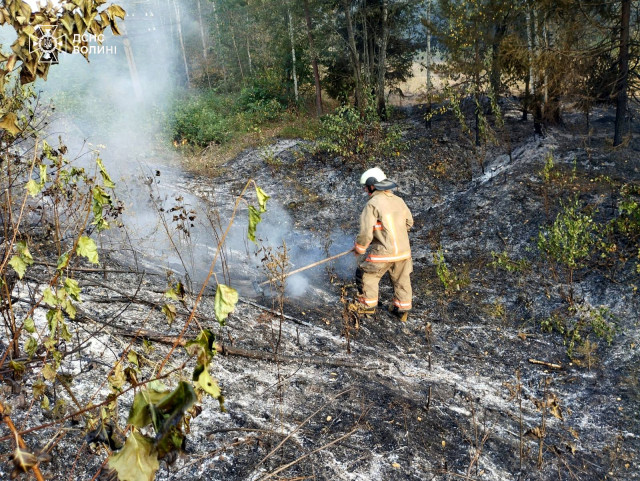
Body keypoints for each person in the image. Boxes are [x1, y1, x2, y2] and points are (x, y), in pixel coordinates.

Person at [353, 167, 414, 322]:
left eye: (366, 187)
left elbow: (366, 232)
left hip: (383, 252)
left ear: (372, 185)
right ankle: (401, 310)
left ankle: (367, 306)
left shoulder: (372, 204)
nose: (365, 190)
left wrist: (360, 248)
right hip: (403, 252)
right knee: (402, 279)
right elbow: (409, 223)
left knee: (367, 275)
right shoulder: (399, 200)